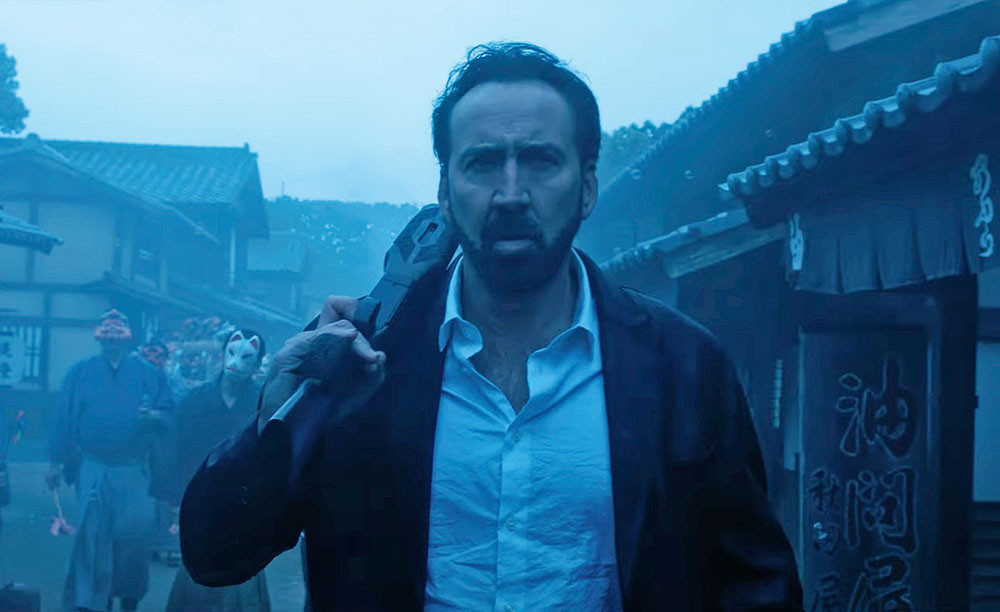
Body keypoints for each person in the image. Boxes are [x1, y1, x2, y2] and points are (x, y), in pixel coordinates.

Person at [181, 42, 803, 611]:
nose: (510, 194)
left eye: (540, 161)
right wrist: (276, 417)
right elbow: (215, 555)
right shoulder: (363, 358)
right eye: (481, 164)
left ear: (587, 188)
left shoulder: (683, 366)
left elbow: (756, 587)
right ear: (444, 193)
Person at [47, 309, 172, 612]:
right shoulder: (79, 373)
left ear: (128, 338)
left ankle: (129, 602)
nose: (113, 335)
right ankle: (92, 603)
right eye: (107, 329)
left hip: (134, 470)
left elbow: (170, 414)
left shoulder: (150, 374)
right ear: (99, 337)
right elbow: (64, 418)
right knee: (91, 537)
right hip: (94, 466)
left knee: (133, 539)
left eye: (120, 328)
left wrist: (155, 416)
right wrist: (56, 462)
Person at [154, 329, 271, 612]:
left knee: (242, 571)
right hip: (200, 499)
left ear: (257, 364)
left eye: (247, 357)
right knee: (198, 567)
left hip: (244, 503)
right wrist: (175, 497)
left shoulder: (264, 404)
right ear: (222, 355)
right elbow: (177, 450)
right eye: (231, 353)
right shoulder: (194, 400)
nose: (236, 362)